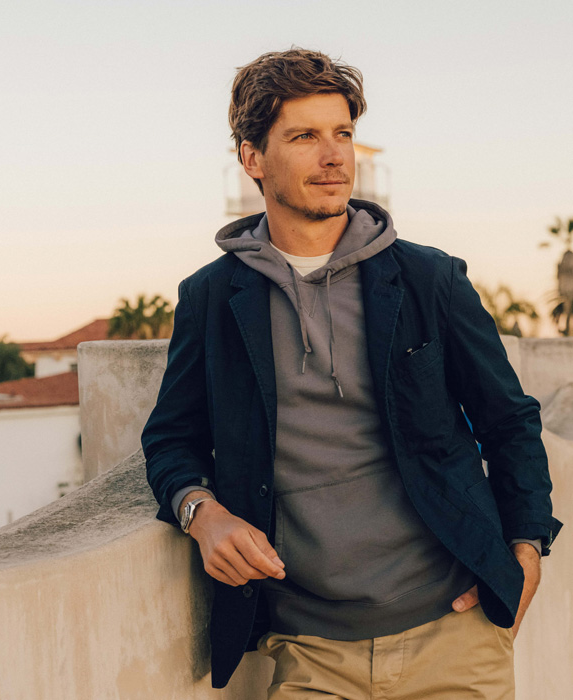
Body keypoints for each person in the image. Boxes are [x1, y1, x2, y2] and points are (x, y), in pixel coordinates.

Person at [141, 48, 562, 698]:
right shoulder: (211, 299)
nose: (334, 156)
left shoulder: (429, 279)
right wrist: (202, 514)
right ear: (252, 158)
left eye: (343, 134)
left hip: (455, 638)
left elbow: (509, 421)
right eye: (304, 136)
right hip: (308, 653)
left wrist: (529, 546)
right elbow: (172, 439)